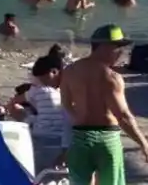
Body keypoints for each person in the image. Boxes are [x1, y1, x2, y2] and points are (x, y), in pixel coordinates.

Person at [61, 24, 148, 185]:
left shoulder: (69, 71)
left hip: (79, 139)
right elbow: (123, 116)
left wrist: (79, 121)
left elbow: (66, 104)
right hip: (107, 139)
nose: (122, 52)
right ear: (104, 46)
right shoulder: (111, 78)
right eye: (118, 46)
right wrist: (143, 143)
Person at [7, 54, 67, 173]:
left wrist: (24, 117)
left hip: (41, 138)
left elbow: (13, 103)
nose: (40, 81)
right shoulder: (64, 92)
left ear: (53, 72)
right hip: (62, 141)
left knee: (39, 171)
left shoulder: (37, 90)